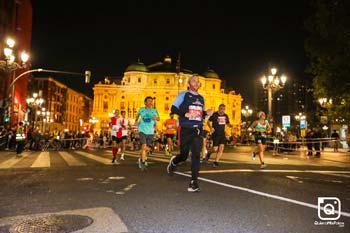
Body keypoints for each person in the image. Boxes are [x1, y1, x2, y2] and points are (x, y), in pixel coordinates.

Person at [167, 74, 213, 192]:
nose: (196, 83)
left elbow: (199, 114)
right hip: (185, 128)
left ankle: (193, 182)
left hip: (197, 129)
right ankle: (174, 161)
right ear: (188, 84)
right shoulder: (183, 94)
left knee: (196, 155)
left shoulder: (201, 98)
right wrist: (185, 114)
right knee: (184, 155)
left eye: (198, 81)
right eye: (194, 81)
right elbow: (173, 109)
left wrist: (206, 113)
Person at [135, 96, 160, 170]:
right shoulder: (141, 109)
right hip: (142, 130)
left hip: (150, 131)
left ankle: (142, 158)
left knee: (146, 149)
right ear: (145, 102)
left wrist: (156, 118)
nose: (150, 102)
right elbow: (137, 115)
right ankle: (142, 162)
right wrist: (136, 121)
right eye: (149, 101)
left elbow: (158, 118)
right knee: (144, 146)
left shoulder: (154, 110)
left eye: (151, 101)